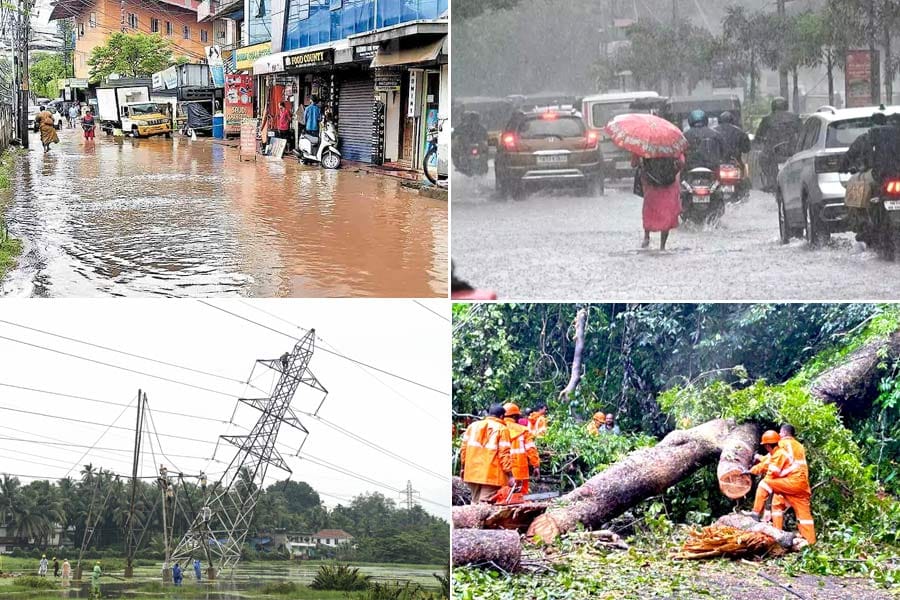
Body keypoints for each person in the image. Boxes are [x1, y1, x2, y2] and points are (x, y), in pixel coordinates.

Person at [744, 424, 815, 544]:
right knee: (804, 517)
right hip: (802, 483)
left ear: (782, 434)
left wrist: (756, 460)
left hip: (790, 481)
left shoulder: (781, 445)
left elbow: (770, 463)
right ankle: (810, 544)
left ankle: (759, 517)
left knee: (767, 488)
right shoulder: (799, 446)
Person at [459, 404, 515, 503]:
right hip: (491, 475)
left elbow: (463, 450)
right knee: (484, 504)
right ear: (502, 416)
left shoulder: (472, 426)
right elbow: (504, 454)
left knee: (475, 502)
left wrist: (463, 468)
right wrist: (510, 475)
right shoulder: (502, 429)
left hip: (472, 472)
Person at [633, 152, 684, 250]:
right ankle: (662, 246)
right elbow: (681, 163)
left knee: (650, 210)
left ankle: (646, 236)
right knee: (666, 214)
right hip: (669, 186)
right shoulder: (672, 147)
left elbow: (634, 163)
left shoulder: (645, 146)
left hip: (651, 185)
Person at [755, 97, 802, 191]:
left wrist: (759, 141)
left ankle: (770, 181)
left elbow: (759, 135)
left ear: (773, 106)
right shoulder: (795, 118)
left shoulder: (767, 119)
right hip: (791, 151)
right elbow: (802, 133)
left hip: (772, 152)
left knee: (761, 158)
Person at [503, 403, 540, 495]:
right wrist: (536, 466)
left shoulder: (498, 429)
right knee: (522, 499)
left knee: (502, 497)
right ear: (515, 416)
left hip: (503, 472)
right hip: (520, 470)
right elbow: (531, 449)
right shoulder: (523, 430)